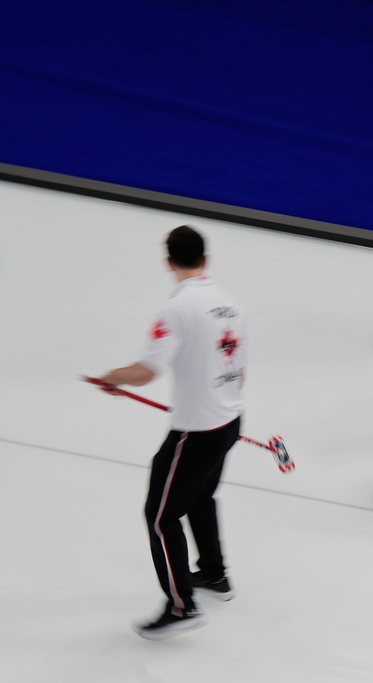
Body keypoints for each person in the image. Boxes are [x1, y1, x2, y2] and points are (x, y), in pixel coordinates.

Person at [95, 225, 248, 639]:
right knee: (200, 496)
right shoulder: (231, 306)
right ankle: (215, 574)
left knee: (160, 517)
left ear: (168, 263)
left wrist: (113, 377)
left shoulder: (176, 309)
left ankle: (181, 608)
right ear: (206, 259)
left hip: (195, 432)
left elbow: (146, 371)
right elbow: (240, 373)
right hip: (229, 421)